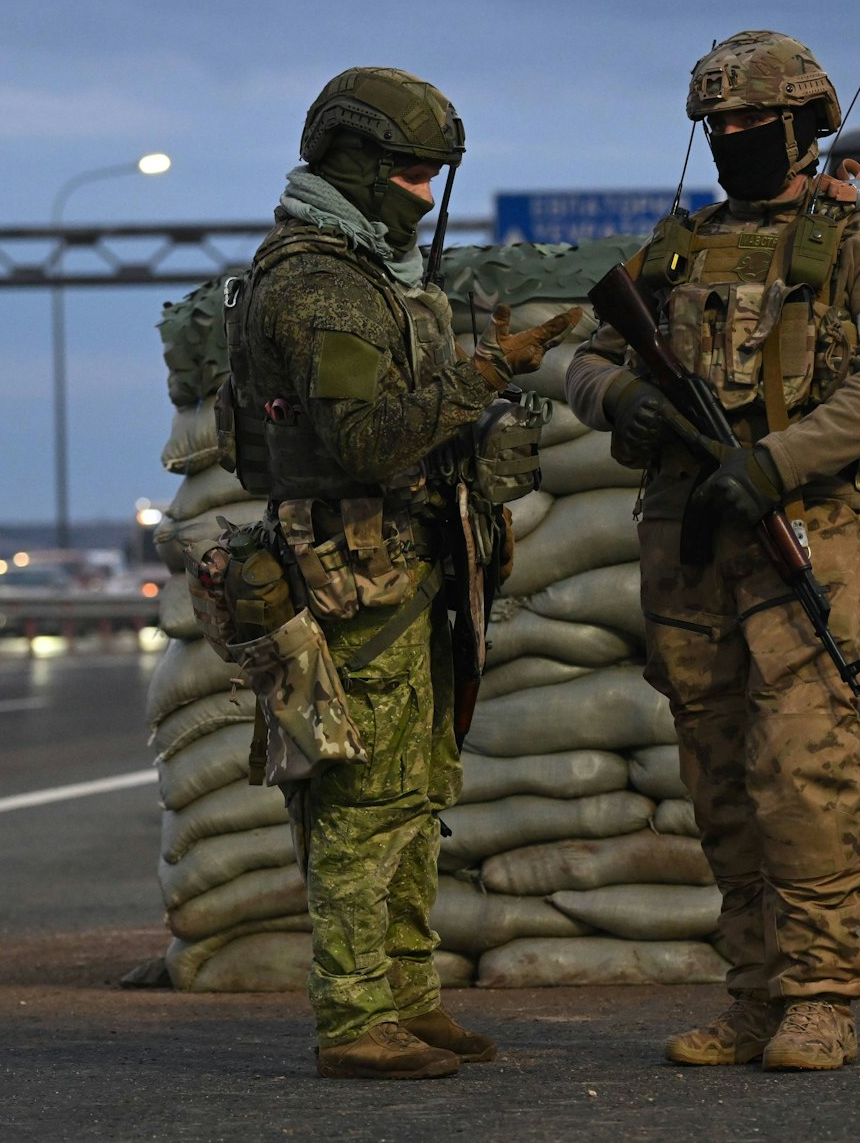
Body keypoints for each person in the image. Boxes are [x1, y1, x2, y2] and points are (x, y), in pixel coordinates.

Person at [567, 30, 860, 1071]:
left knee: (798, 765)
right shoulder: (676, 248)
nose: (730, 140)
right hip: (686, 537)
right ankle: (752, 993)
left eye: (749, 125)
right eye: (715, 127)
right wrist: (622, 399)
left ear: (803, 123)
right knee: (716, 768)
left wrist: (778, 462)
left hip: (801, 533)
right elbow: (585, 362)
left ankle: (817, 996)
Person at [221, 66, 577, 1079]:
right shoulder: (321, 287)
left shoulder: (367, 273)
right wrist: (483, 372)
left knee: (416, 792)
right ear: (354, 165)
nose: (424, 195)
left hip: (403, 563)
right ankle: (352, 1014)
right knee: (359, 796)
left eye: (434, 176)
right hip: (349, 573)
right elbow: (370, 440)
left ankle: (410, 997)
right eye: (411, 175)